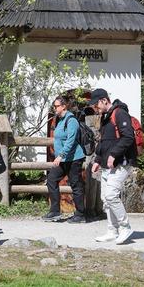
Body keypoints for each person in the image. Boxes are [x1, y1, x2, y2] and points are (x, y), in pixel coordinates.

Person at [89, 88, 135, 245]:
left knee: (111, 195)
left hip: (122, 163)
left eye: (96, 105)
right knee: (105, 199)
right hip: (108, 165)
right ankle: (112, 230)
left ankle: (125, 227)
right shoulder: (105, 118)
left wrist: (114, 154)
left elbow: (128, 137)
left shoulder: (120, 113)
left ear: (103, 100)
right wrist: (97, 159)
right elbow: (103, 142)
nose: (96, 109)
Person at [42, 95, 86, 223]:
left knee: (75, 185)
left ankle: (80, 214)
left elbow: (71, 140)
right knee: (51, 180)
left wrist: (60, 155)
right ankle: (55, 211)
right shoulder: (60, 120)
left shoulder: (71, 120)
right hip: (63, 159)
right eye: (54, 106)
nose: (54, 108)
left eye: (56, 106)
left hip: (73, 158)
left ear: (63, 106)